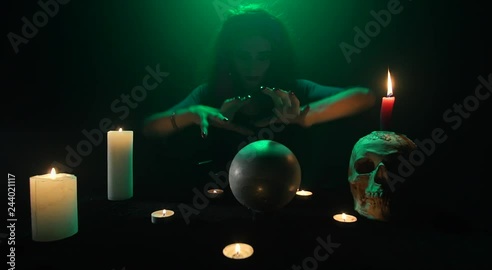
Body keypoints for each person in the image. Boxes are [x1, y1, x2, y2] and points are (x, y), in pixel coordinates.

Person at [142, 4, 375, 166]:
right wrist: (192, 114)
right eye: (243, 56)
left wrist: (305, 116)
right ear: (228, 57)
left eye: (262, 57)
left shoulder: (295, 89)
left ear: (274, 57)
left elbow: (364, 96)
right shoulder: (209, 92)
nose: (253, 67)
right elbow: (149, 128)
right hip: (221, 206)